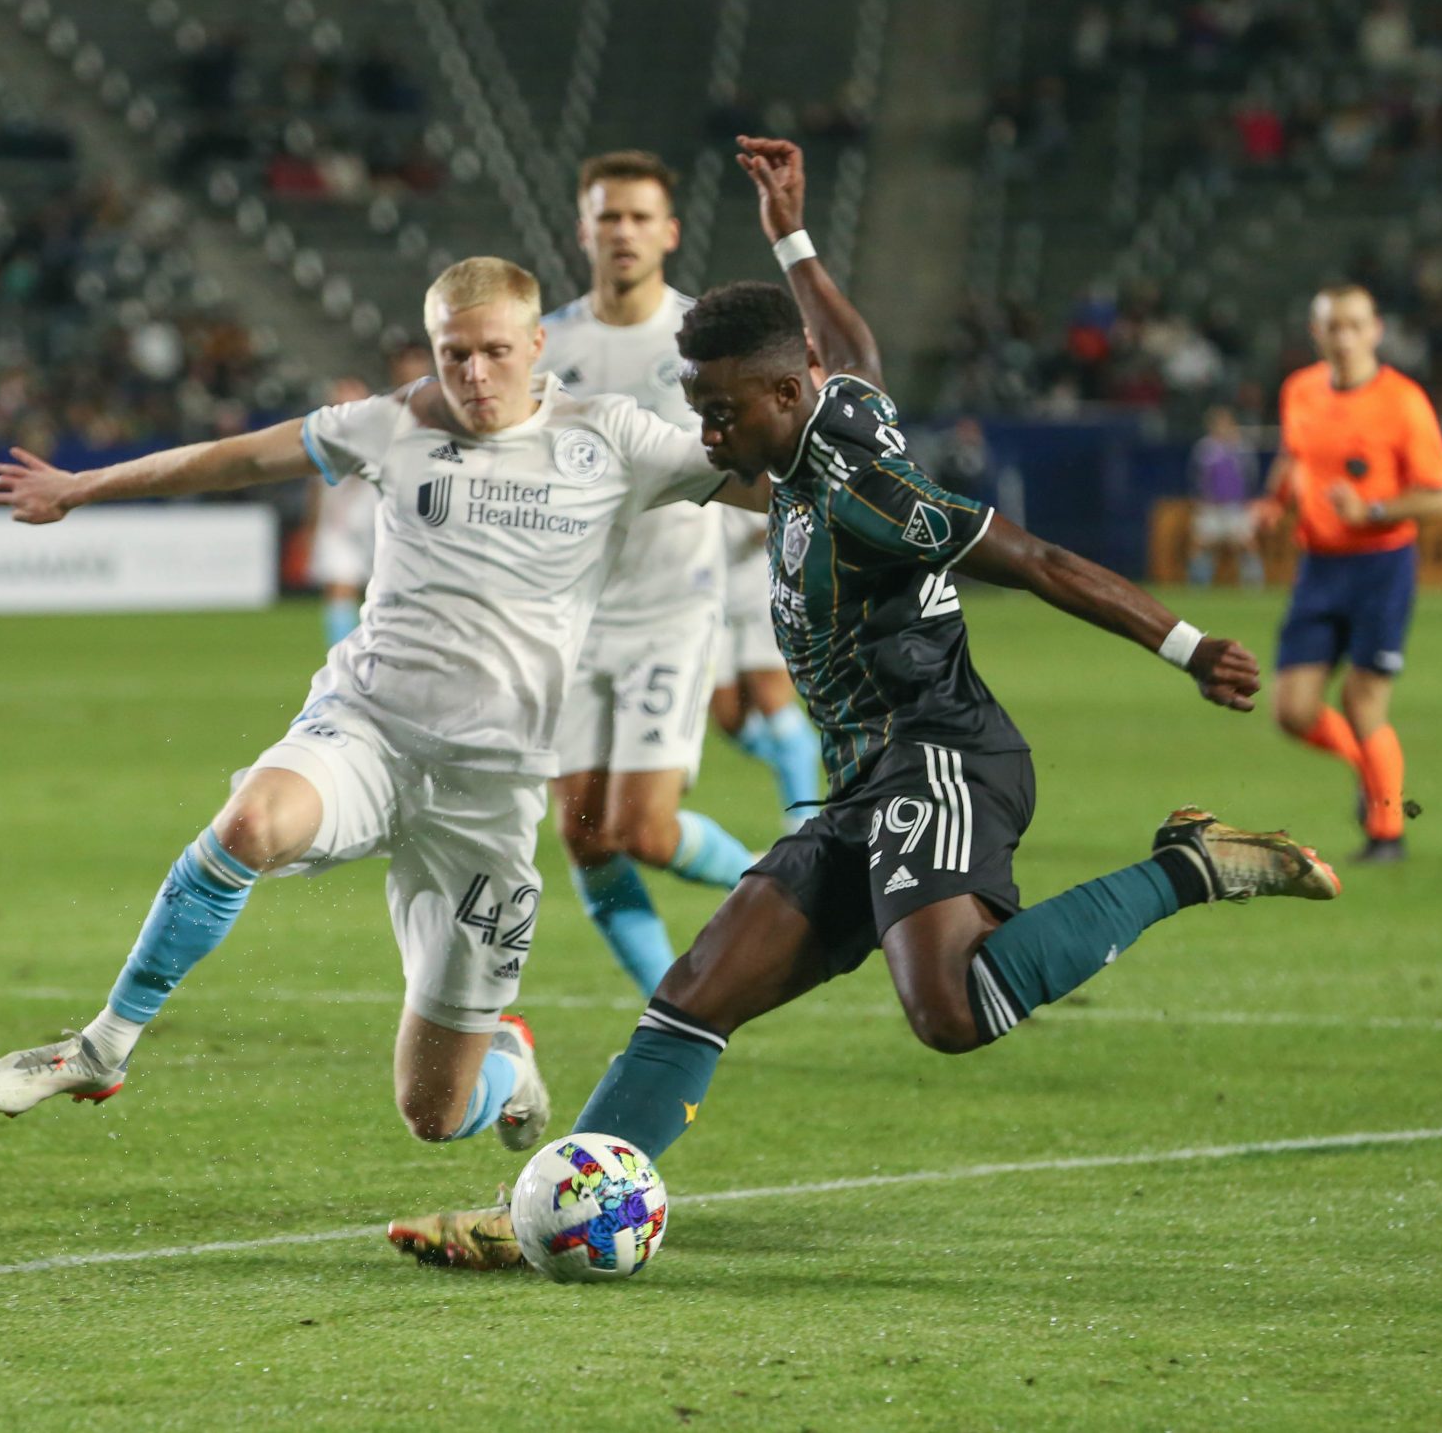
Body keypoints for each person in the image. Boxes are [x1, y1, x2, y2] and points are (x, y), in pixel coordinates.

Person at [387, 139, 1337, 1270]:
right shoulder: (828, 417)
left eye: (723, 410)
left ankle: (1190, 864)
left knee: (950, 1010)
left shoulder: (869, 495)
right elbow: (852, 350)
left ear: (785, 396)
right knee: (696, 992)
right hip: (862, 779)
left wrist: (1185, 645)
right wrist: (791, 235)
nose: (706, 434)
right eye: (699, 408)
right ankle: (544, 1208)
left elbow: (1032, 558)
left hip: (941, 754)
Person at [0, 256, 772, 1163]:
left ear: (537, 345)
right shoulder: (391, 423)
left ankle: (507, 1060)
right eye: (451, 352)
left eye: (493, 352)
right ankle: (102, 1045)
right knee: (249, 823)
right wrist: (82, 487)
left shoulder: (614, 437)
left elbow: (770, 480)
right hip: (367, 730)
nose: (471, 374)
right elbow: (235, 458)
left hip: (489, 793)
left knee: (434, 1111)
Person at [538, 150, 768, 997]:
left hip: (673, 610)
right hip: (568, 618)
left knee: (645, 828)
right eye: (608, 216)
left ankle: (792, 894)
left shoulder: (702, 342)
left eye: (639, 217)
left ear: (668, 233)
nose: (623, 231)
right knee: (586, 833)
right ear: (584, 229)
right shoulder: (546, 344)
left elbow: (753, 455)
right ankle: (664, 1003)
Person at [1251, 285, 1442, 864]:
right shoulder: (1300, 391)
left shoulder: (1403, 402)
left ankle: (1387, 834)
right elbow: (1294, 456)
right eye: (1332, 327)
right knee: (1293, 710)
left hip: (1381, 566)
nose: (1344, 337)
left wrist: (1372, 511)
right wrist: (1273, 504)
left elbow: (1441, 497)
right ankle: (1370, 775)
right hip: (1319, 566)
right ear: (1316, 335)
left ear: (1376, 330)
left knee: (1364, 700)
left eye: (1354, 325)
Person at [708, 501, 823, 829]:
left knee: (771, 702)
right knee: (729, 719)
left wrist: (777, 526)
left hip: (762, 590)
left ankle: (804, 826)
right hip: (710, 598)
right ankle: (797, 752)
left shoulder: (743, 456)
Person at [303, 374, 378, 646]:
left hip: (376, 525)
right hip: (338, 526)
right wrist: (310, 527)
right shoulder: (320, 437)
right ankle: (342, 654)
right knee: (339, 589)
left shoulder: (381, 435)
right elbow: (314, 489)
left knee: (381, 595)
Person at [1186, 406, 1262, 588]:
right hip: (1211, 506)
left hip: (1236, 506)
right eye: (1217, 424)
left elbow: (1251, 475)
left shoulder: (1242, 449)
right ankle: (1198, 585)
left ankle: (1254, 584)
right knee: (1201, 544)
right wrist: (1199, 500)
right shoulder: (1204, 449)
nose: (1221, 427)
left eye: (1225, 423)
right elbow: (1195, 477)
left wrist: (1248, 500)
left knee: (1246, 543)